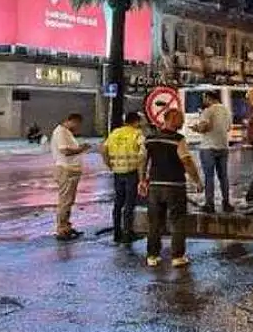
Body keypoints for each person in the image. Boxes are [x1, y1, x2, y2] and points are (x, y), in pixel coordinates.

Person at [139, 109, 203, 267]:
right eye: (180, 120)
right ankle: (177, 257)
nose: (182, 123)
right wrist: (197, 181)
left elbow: (142, 160)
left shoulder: (150, 139)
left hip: (155, 186)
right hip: (175, 185)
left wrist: (142, 180)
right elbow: (186, 161)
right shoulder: (178, 139)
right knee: (177, 221)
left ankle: (152, 256)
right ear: (172, 119)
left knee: (154, 222)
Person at [99, 111, 145, 243]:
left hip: (117, 172)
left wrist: (109, 164)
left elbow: (103, 148)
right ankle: (128, 232)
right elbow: (142, 155)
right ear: (136, 122)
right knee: (129, 203)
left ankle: (117, 232)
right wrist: (142, 177)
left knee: (118, 203)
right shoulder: (137, 134)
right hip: (131, 172)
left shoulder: (115, 133)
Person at [191, 90, 234, 214]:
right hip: (223, 146)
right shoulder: (226, 111)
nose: (203, 100)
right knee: (224, 176)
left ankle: (209, 204)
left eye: (204, 98)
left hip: (208, 147)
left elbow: (204, 127)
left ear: (209, 98)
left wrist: (196, 129)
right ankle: (226, 203)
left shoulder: (208, 111)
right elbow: (228, 128)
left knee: (209, 177)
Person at [51, 113, 91, 240]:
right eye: (78, 124)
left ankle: (66, 226)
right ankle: (62, 229)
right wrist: (81, 149)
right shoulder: (61, 132)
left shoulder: (66, 132)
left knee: (68, 200)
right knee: (65, 201)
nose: (78, 127)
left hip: (70, 170)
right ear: (71, 121)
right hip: (66, 170)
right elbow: (65, 151)